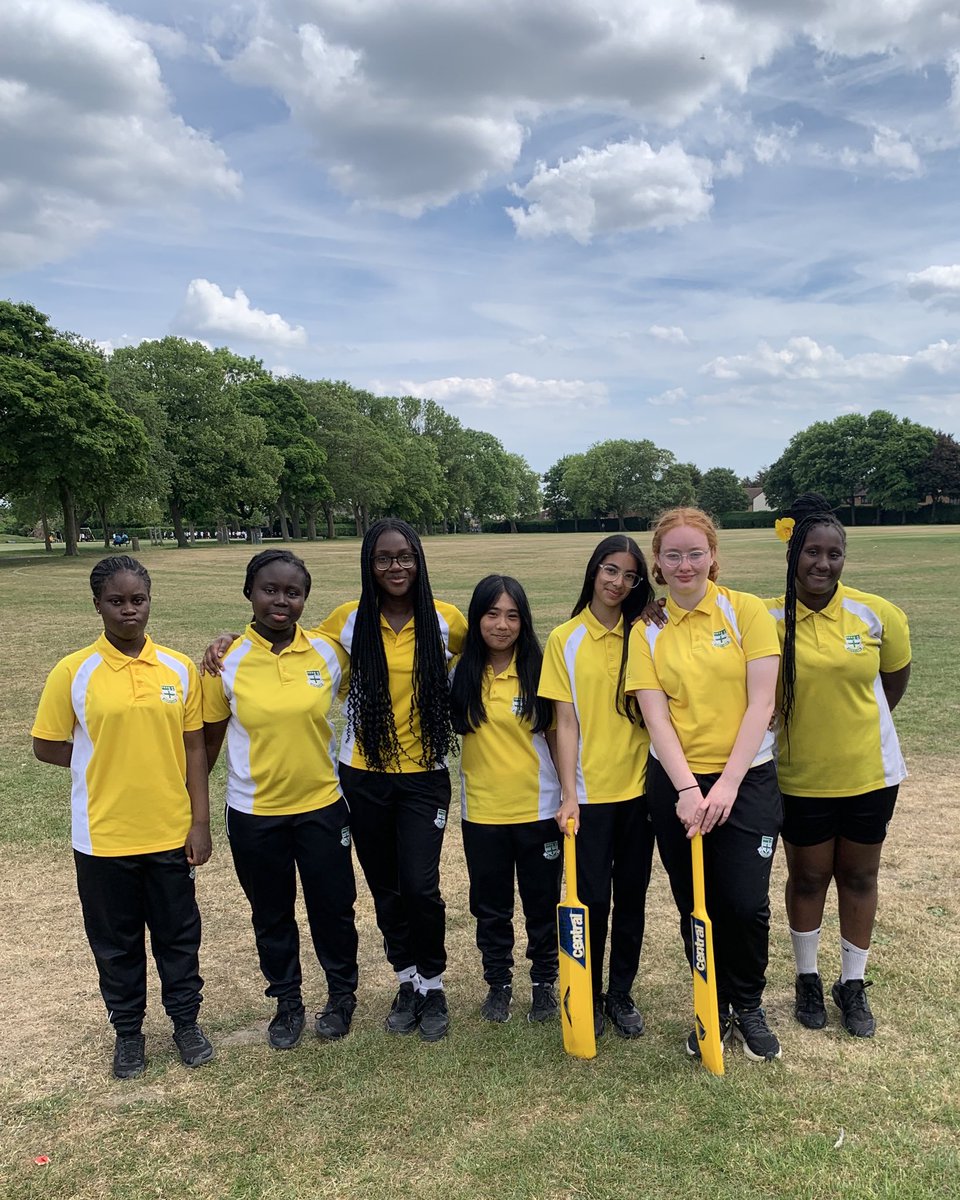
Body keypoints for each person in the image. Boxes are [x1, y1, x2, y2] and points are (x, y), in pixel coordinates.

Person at [203, 519, 466, 1042]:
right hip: (362, 776)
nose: (396, 567)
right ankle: (407, 980)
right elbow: (284, 637)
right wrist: (227, 639)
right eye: (384, 558)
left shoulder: (446, 619)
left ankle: (433, 983)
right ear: (369, 564)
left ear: (419, 560)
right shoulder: (345, 623)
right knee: (385, 888)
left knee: (420, 886)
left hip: (425, 776)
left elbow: (490, 638)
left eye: (405, 556)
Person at [31, 556, 213, 1080]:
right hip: (103, 836)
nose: (129, 610)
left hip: (168, 830)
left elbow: (195, 750)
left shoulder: (177, 669)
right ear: (98, 606)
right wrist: (98, 758)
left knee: (179, 935)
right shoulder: (74, 671)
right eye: (117, 601)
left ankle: (185, 1024)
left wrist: (199, 823)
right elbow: (46, 745)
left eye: (138, 600)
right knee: (116, 941)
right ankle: (129, 1033)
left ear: (151, 600)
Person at [627, 508, 783, 1062]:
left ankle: (749, 1004)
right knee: (695, 902)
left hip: (747, 778)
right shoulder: (647, 627)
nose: (685, 563)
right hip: (676, 783)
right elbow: (655, 717)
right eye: (673, 555)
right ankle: (710, 1007)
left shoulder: (747, 612)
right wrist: (690, 790)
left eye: (695, 553)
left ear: (713, 556)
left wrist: (727, 786)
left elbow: (762, 702)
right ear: (659, 564)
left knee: (744, 903)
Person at [201, 550, 359, 1051]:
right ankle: (287, 1002)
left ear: (305, 599)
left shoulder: (330, 654)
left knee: (333, 907)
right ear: (249, 592)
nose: (281, 601)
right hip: (254, 813)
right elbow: (206, 743)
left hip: (322, 805)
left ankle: (341, 997)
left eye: (293, 592)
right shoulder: (224, 661)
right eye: (270, 589)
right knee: (271, 912)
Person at [770, 495, 911, 1038]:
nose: (822, 564)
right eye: (811, 552)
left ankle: (852, 983)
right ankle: (807, 976)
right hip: (800, 778)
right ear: (793, 556)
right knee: (807, 878)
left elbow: (891, 685)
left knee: (858, 875)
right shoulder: (764, 616)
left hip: (869, 775)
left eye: (834, 554)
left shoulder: (878, 614)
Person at [537, 535, 656, 1040]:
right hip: (589, 797)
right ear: (593, 571)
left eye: (630, 577)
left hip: (642, 793)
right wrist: (567, 793)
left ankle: (621, 993)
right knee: (593, 902)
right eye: (611, 571)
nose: (619, 583)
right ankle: (586, 991)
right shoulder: (565, 638)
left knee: (632, 898)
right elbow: (564, 724)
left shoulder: (648, 631)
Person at [450, 574, 562, 1024]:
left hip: (537, 810)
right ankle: (497, 983)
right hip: (482, 812)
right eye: (492, 614)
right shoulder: (458, 671)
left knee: (541, 902)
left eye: (512, 615)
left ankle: (544, 983)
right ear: (477, 618)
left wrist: (570, 799)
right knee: (490, 905)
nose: (502, 625)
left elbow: (558, 738)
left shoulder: (540, 667)